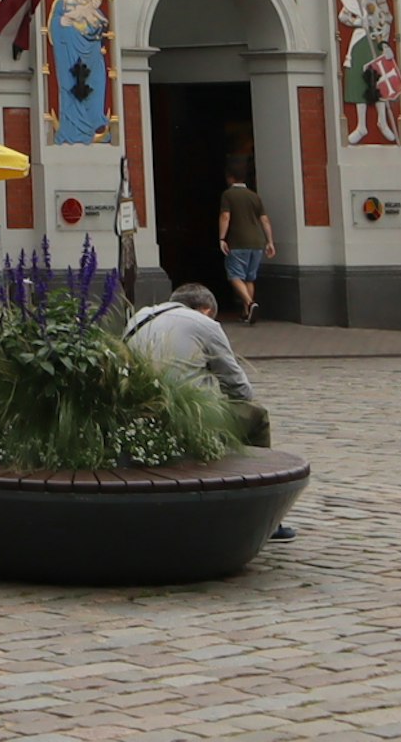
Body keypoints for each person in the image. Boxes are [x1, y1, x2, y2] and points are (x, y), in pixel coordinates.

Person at [125, 285, 289, 532]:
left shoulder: (138, 317)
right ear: (206, 310)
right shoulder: (204, 324)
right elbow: (239, 388)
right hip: (184, 417)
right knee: (255, 417)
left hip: (134, 415)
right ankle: (263, 514)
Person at [216, 167, 272, 324]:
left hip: (238, 241)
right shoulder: (254, 196)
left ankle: (249, 303)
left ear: (230, 178)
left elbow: (225, 216)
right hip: (257, 242)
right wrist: (270, 241)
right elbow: (265, 220)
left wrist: (222, 238)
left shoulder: (228, 195)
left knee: (234, 275)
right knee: (249, 278)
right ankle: (247, 313)